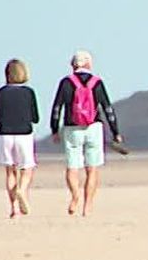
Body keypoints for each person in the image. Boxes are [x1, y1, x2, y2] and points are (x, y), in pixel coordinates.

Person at [49, 50, 124, 217]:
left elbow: (57, 107)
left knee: (72, 167)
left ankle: (75, 196)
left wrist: (54, 129)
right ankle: (88, 205)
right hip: (93, 128)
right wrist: (115, 131)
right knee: (92, 169)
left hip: (71, 128)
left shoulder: (66, 82)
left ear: (72, 65)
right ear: (89, 64)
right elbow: (107, 108)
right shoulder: (97, 82)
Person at [0, 58, 39, 217]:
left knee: (10, 171)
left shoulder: (1, 92)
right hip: (24, 133)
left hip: (5, 133)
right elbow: (35, 117)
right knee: (27, 168)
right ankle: (22, 189)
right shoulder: (28, 92)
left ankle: (13, 208)